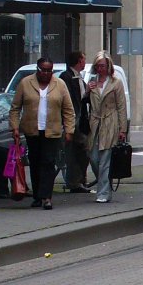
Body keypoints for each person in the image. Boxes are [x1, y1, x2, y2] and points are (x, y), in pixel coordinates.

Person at [8, 57, 75, 210]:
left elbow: (68, 110)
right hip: (32, 130)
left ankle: (46, 197)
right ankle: (38, 196)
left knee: (48, 162)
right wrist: (15, 128)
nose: (46, 73)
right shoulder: (26, 83)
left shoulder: (60, 84)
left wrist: (69, 130)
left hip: (52, 130)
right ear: (37, 70)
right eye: (43, 70)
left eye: (49, 70)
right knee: (35, 162)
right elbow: (15, 107)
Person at [87, 50, 127, 203]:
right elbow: (84, 100)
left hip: (110, 122)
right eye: (97, 66)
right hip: (95, 123)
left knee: (105, 159)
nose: (100, 69)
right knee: (93, 158)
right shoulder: (92, 81)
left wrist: (122, 129)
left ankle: (103, 193)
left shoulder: (116, 83)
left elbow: (121, 106)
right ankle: (105, 183)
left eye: (102, 66)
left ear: (108, 66)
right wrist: (87, 90)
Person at [59, 50, 92, 193]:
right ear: (79, 61)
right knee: (78, 150)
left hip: (80, 120)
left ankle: (79, 179)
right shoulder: (67, 77)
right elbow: (71, 100)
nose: (85, 62)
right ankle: (75, 181)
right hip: (73, 120)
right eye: (83, 60)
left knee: (82, 150)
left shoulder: (79, 78)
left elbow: (83, 98)